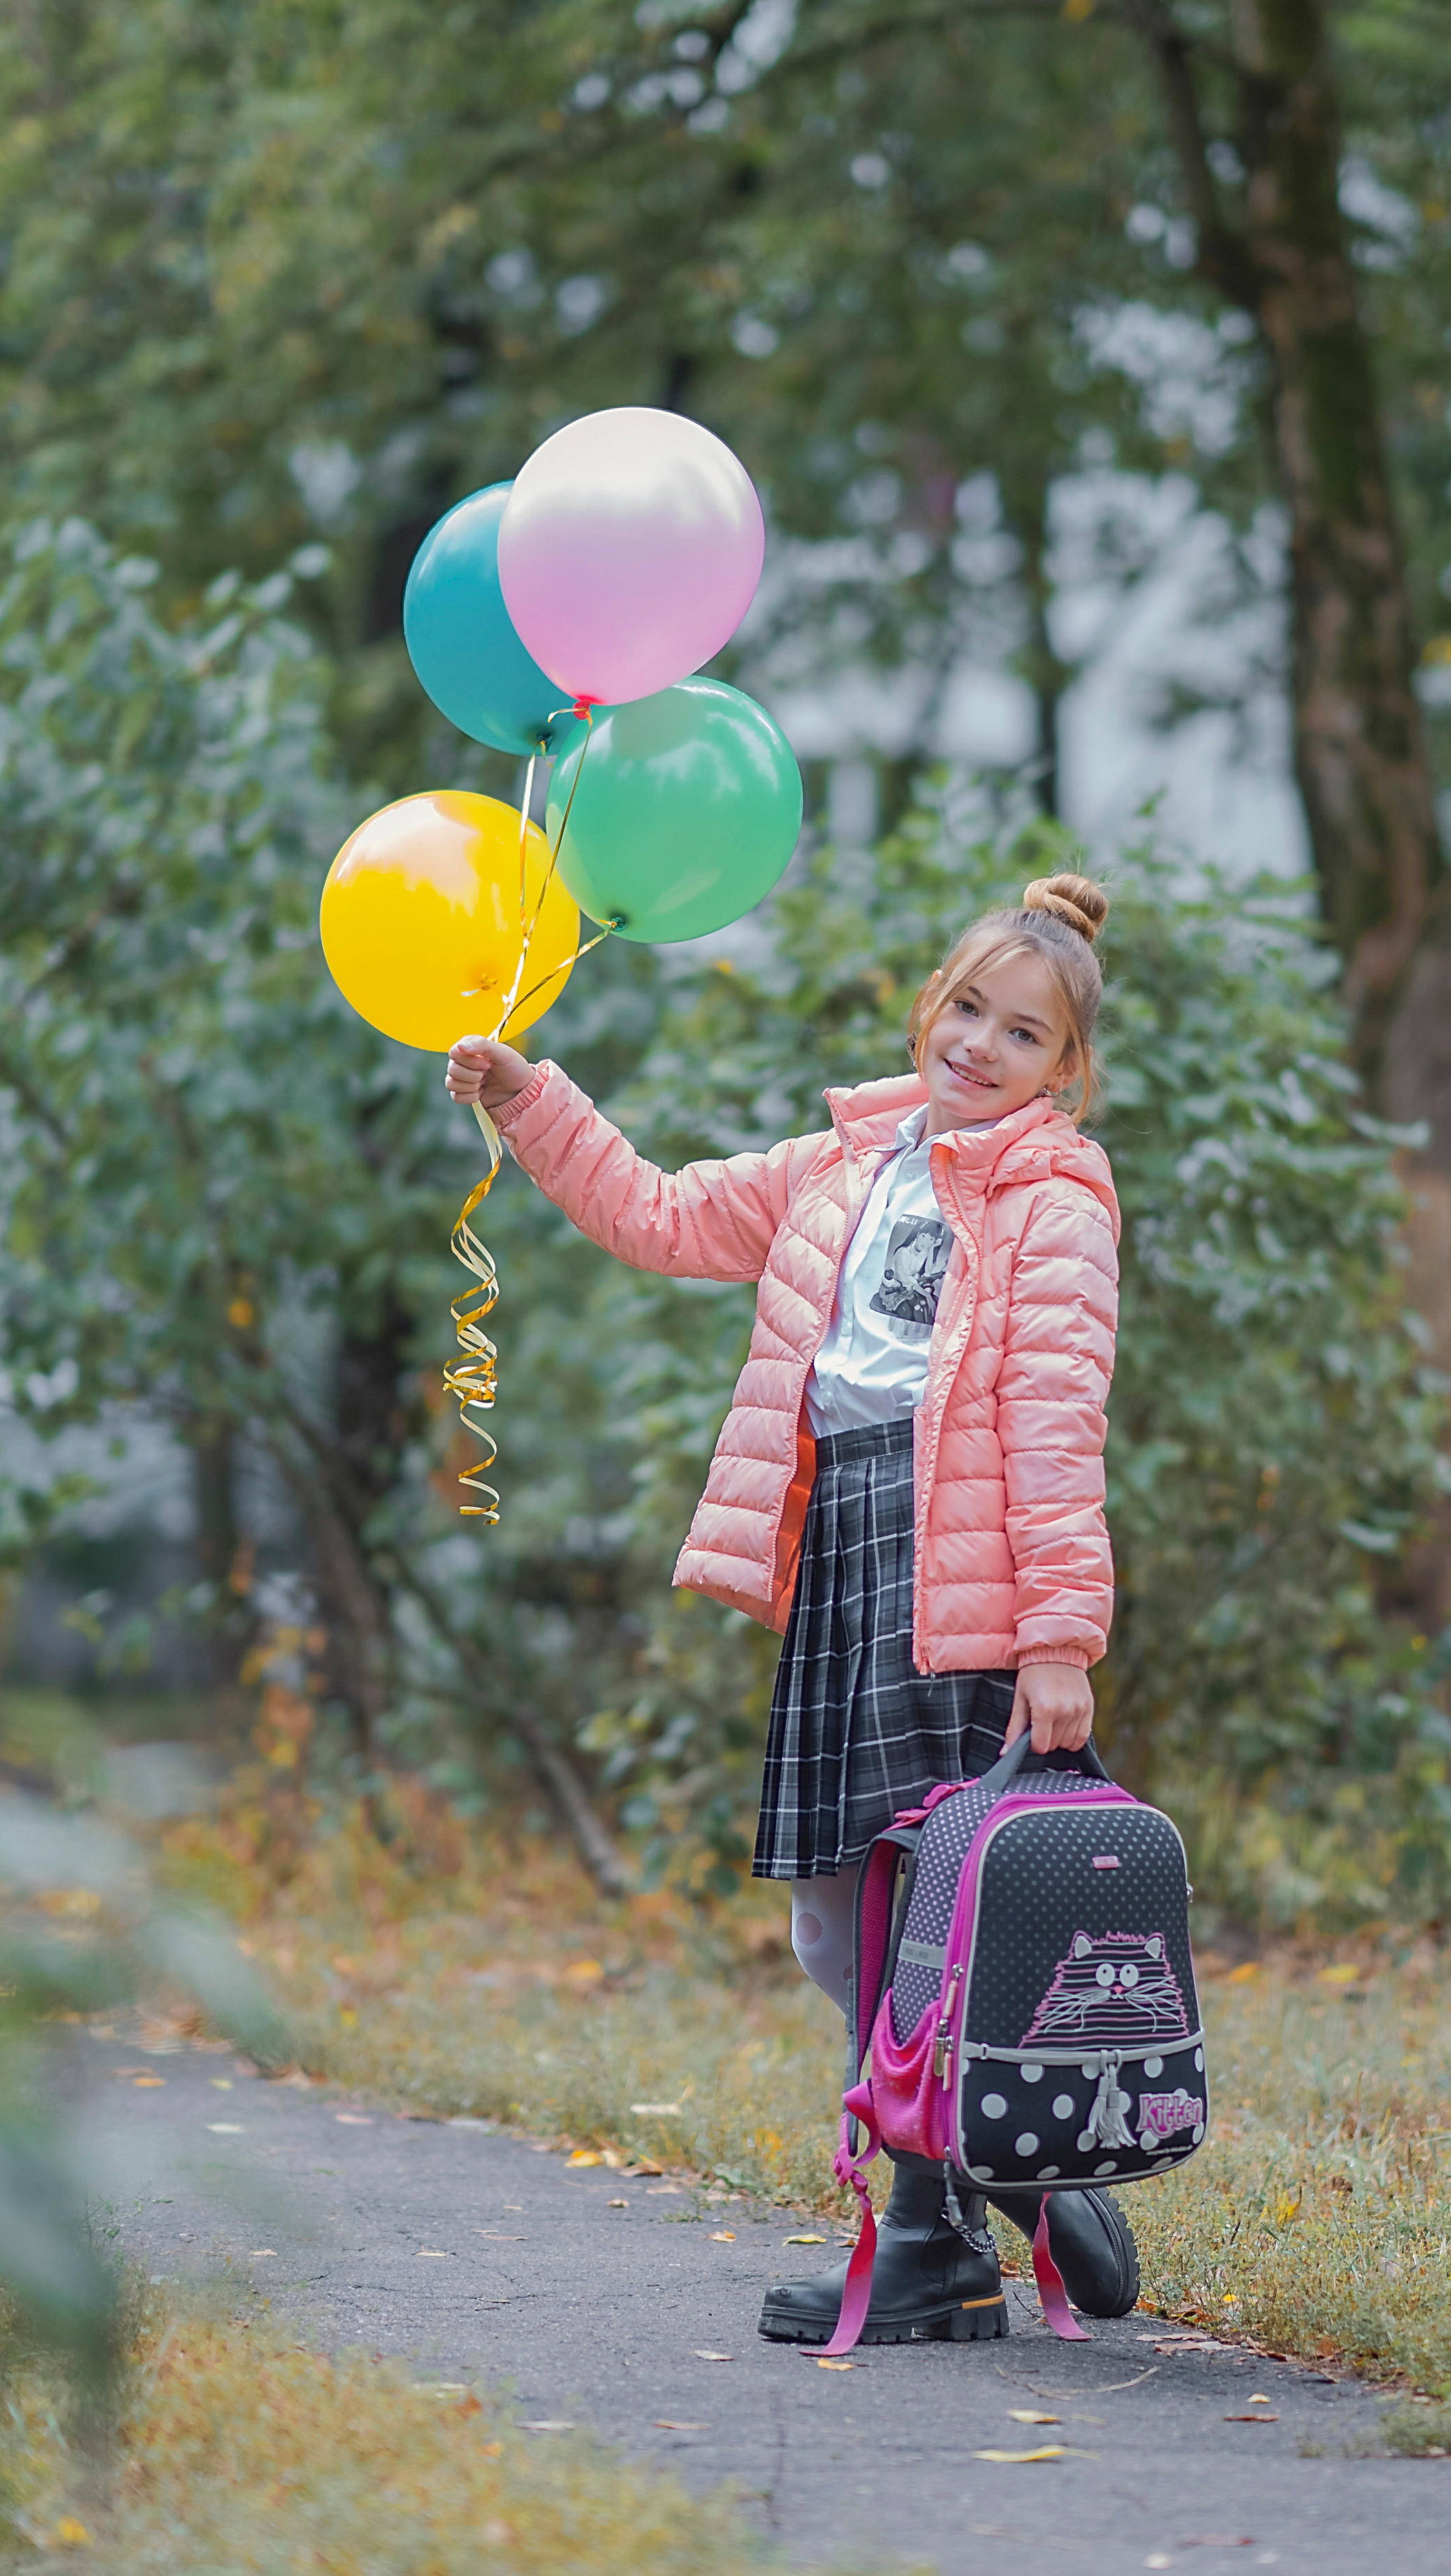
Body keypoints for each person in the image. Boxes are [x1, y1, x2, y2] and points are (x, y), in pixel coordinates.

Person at [447, 870, 1137, 2343]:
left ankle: (934, 2234)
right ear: (926, 1003)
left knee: (918, 1913)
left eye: (1020, 1035)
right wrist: (528, 1096)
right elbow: (656, 1211)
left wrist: (1057, 1637)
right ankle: (1011, 2163)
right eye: (965, 1007)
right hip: (844, 1550)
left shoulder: (1053, 1197)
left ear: (1059, 1070)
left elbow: (1055, 1414)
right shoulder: (843, 1163)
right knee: (838, 1927)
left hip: (957, 1582)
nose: (977, 1045)